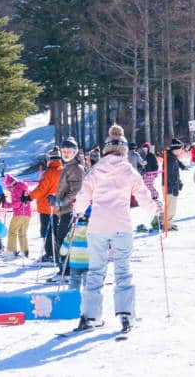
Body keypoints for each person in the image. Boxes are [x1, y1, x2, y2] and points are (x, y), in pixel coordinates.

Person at [74, 125, 158, 334]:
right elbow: (142, 194)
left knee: (95, 270)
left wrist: (78, 211)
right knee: (122, 269)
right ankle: (126, 316)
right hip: (121, 225)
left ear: (106, 149)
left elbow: (84, 194)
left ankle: (90, 316)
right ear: (124, 150)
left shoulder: (96, 170)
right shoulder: (128, 170)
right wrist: (154, 209)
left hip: (98, 227)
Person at [52, 137, 84, 271]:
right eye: (63, 151)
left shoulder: (75, 168)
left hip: (70, 210)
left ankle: (67, 269)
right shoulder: (68, 167)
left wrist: (60, 201)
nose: (65, 154)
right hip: (64, 209)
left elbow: (76, 191)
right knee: (62, 239)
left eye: (69, 151)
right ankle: (65, 269)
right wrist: (55, 198)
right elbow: (66, 189)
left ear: (75, 152)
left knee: (64, 240)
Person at [30, 147, 63, 263]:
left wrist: (29, 197)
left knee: (47, 231)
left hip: (46, 207)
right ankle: (58, 252)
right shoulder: (63, 170)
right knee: (56, 231)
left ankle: (50, 253)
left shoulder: (49, 172)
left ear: (50, 159)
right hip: (59, 206)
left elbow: (41, 189)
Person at [3, 174, 32, 260]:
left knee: (12, 231)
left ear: (12, 184)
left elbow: (17, 204)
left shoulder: (16, 190)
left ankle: (11, 251)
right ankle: (25, 251)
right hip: (27, 214)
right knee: (22, 233)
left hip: (19, 213)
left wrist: (7, 205)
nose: (8, 189)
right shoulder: (24, 187)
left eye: (8, 187)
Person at [163, 138, 185, 230]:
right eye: (180, 149)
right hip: (170, 187)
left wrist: (182, 166)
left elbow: (177, 165)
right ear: (175, 149)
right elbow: (170, 175)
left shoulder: (172, 157)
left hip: (171, 186)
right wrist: (175, 186)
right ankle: (167, 225)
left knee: (171, 206)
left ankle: (169, 223)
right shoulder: (170, 159)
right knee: (170, 207)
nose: (181, 151)